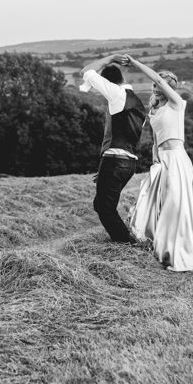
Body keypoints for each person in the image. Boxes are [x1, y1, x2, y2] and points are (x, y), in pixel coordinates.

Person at [124, 55, 193, 271]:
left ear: (168, 88)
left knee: (175, 203)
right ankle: (159, 242)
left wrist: (135, 64)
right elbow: (155, 136)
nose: (155, 87)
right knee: (159, 202)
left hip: (178, 159)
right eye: (154, 85)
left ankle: (177, 250)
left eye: (158, 85)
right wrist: (155, 155)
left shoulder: (176, 103)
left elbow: (160, 80)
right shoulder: (154, 108)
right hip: (163, 160)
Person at [79, 53, 147, 243]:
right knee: (101, 204)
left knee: (104, 208)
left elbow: (86, 71)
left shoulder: (117, 94)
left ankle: (127, 245)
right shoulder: (138, 104)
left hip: (116, 160)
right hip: (127, 162)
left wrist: (110, 58)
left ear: (108, 83)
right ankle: (125, 238)